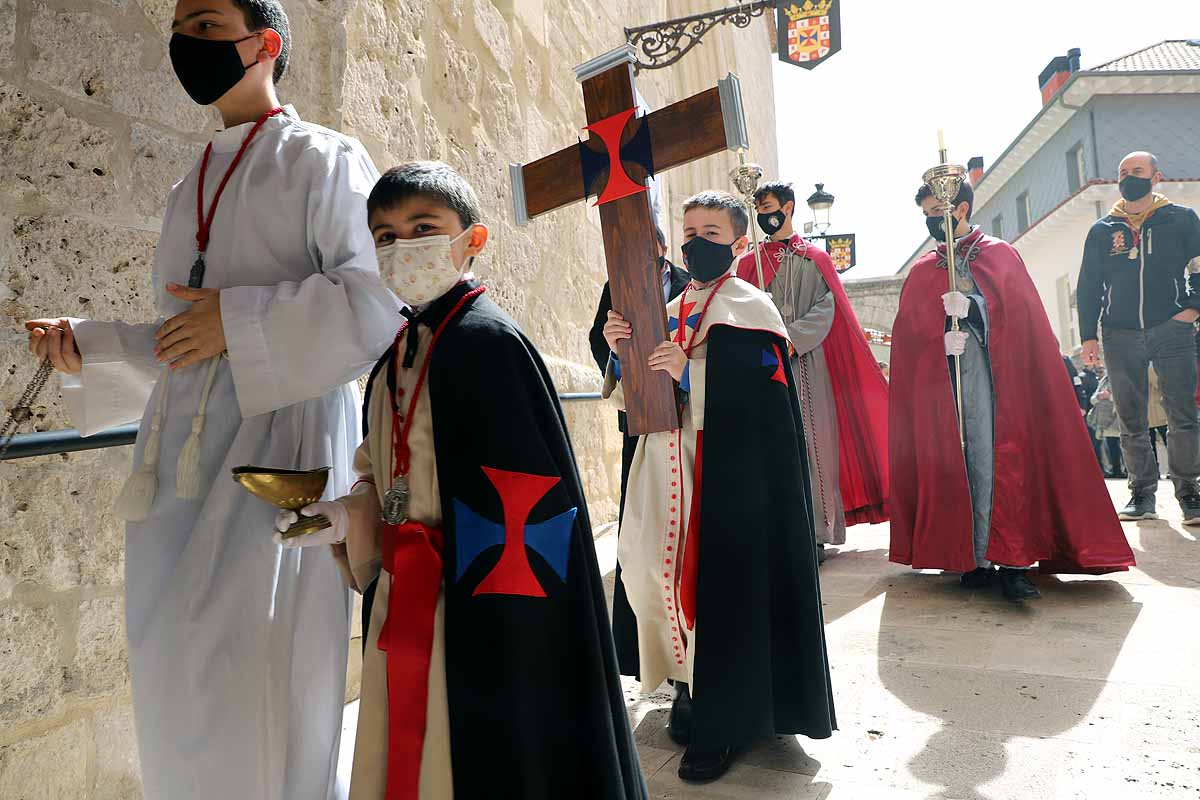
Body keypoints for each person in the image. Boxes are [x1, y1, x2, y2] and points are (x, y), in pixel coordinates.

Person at [27, 3, 401, 799]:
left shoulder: (325, 160)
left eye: (204, 25)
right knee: (175, 664)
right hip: (180, 470)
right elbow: (183, 341)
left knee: (257, 669)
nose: (184, 44)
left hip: (281, 451)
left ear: (265, 45)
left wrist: (236, 322)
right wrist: (88, 343)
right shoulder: (187, 183)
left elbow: (372, 303)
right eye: (179, 29)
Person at [276, 162, 647, 799]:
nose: (402, 248)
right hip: (402, 596)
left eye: (423, 227)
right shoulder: (398, 351)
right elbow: (386, 471)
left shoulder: (489, 344)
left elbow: (527, 510)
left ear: (470, 240)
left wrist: (505, 635)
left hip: (470, 607)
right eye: (385, 236)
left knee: (466, 759)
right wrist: (345, 515)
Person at [603, 191, 835, 783]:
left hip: (727, 480)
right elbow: (642, 386)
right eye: (688, 231)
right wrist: (620, 349)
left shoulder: (751, 308)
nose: (694, 242)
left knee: (717, 589)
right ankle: (689, 682)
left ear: (737, 243)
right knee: (651, 574)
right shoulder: (671, 304)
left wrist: (692, 372)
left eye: (710, 232)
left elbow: (766, 396)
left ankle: (725, 718)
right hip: (663, 463)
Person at [890, 181, 1135, 602]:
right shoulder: (923, 270)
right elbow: (908, 339)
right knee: (961, 461)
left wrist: (976, 310)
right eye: (927, 214)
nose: (932, 222)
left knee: (1000, 459)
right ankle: (974, 557)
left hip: (1000, 385)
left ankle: (1013, 560)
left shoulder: (1000, 255)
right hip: (948, 390)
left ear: (961, 208)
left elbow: (1023, 320)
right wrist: (937, 340)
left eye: (937, 211)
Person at [737, 181, 890, 556]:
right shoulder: (748, 263)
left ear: (787, 208)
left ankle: (816, 532)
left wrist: (790, 337)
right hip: (762, 365)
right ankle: (778, 530)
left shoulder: (815, 259)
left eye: (768, 206)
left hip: (807, 362)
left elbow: (827, 306)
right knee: (771, 444)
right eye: (758, 210)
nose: (762, 215)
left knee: (814, 442)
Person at [589, 223, 690, 677]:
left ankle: (690, 665)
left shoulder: (693, 286)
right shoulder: (615, 289)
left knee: (685, 541)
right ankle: (643, 656)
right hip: (640, 428)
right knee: (638, 541)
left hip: (687, 429)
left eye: (646, 247)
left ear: (663, 249)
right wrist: (612, 348)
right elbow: (601, 346)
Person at [1078, 151, 1200, 523]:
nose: (1129, 177)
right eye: (1123, 172)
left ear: (1155, 177)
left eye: (1137, 171)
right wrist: (1088, 335)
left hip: (1171, 328)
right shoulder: (1102, 230)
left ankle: (1189, 493)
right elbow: (1088, 285)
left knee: (1182, 414)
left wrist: (1192, 310)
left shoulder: (1181, 220)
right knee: (1130, 418)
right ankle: (1142, 494)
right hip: (1119, 333)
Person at [1090, 372, 1127, 478]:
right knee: (1111, 446)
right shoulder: (1103, 381)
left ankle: (1128, 471)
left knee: (1125, 445)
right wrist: (1099, 396)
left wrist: (1109, 396)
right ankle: (1116, 470)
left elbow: (1125, 396)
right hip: (1105, 421)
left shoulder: (1122, 377)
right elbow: (1092, 400)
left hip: (1118, 417)